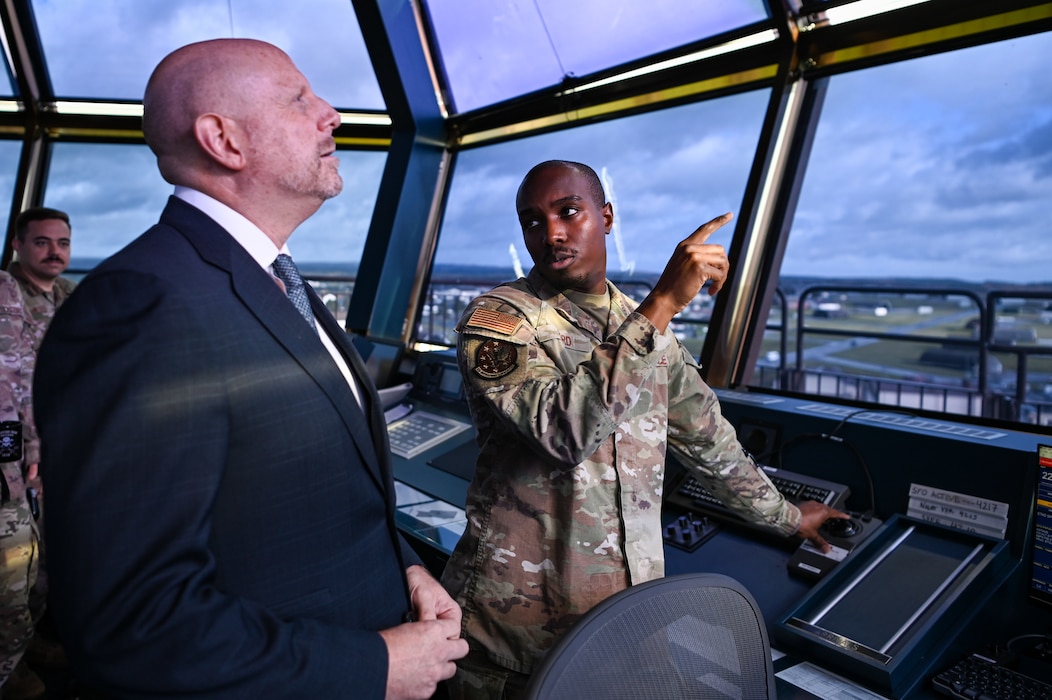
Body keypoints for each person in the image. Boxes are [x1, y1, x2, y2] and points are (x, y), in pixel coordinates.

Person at [33, 38, 466, 699]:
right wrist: (371, 667)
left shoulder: (271, 278)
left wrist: (403, 569)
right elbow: (134, 622)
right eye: (299, 99)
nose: (332, 114)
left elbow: (311, 491)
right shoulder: (141, 307)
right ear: (223, 141)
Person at [440, 160, 848, 697]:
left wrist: (788, 518)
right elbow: (563, 432)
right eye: (533, 222)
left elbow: (710, 442)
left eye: (568, 212)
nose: (552, 233)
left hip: (625, 627)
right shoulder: (500, 321)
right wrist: (665, 303)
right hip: (515, 637)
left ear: (606, 217)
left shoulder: (647, 330)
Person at [5, 206, 76, 694]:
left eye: (63, 243)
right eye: (42, 242)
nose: (55, 252)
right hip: (20, 451)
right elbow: (12, 382)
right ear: (18, 245)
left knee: (47, 555)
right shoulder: (6, 297)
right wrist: (28, 448)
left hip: (62, 442)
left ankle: (28, 643)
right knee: (15, 561)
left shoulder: (70, 296)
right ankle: (8, 666)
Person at [0, 271, 41, 698]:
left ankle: (12, 666)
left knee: (16, 588)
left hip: (7, 474)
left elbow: (22, 368)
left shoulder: (4, 288)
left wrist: (34, 444)